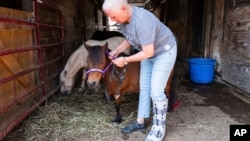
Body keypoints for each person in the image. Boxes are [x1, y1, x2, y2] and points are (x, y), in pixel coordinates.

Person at [102, 0, 177, 140]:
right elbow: (130, 38)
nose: (112, 19)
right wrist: (117, 51)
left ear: (124, 8)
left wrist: (124, 60)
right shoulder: (124, 21)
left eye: (113, 15)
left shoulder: (142, 20)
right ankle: (140, 122)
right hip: (148, 51)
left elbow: (148, 52)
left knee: (156, 91)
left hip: (163, 52)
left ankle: (159, 127)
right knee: (144, 87)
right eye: (110, 16)